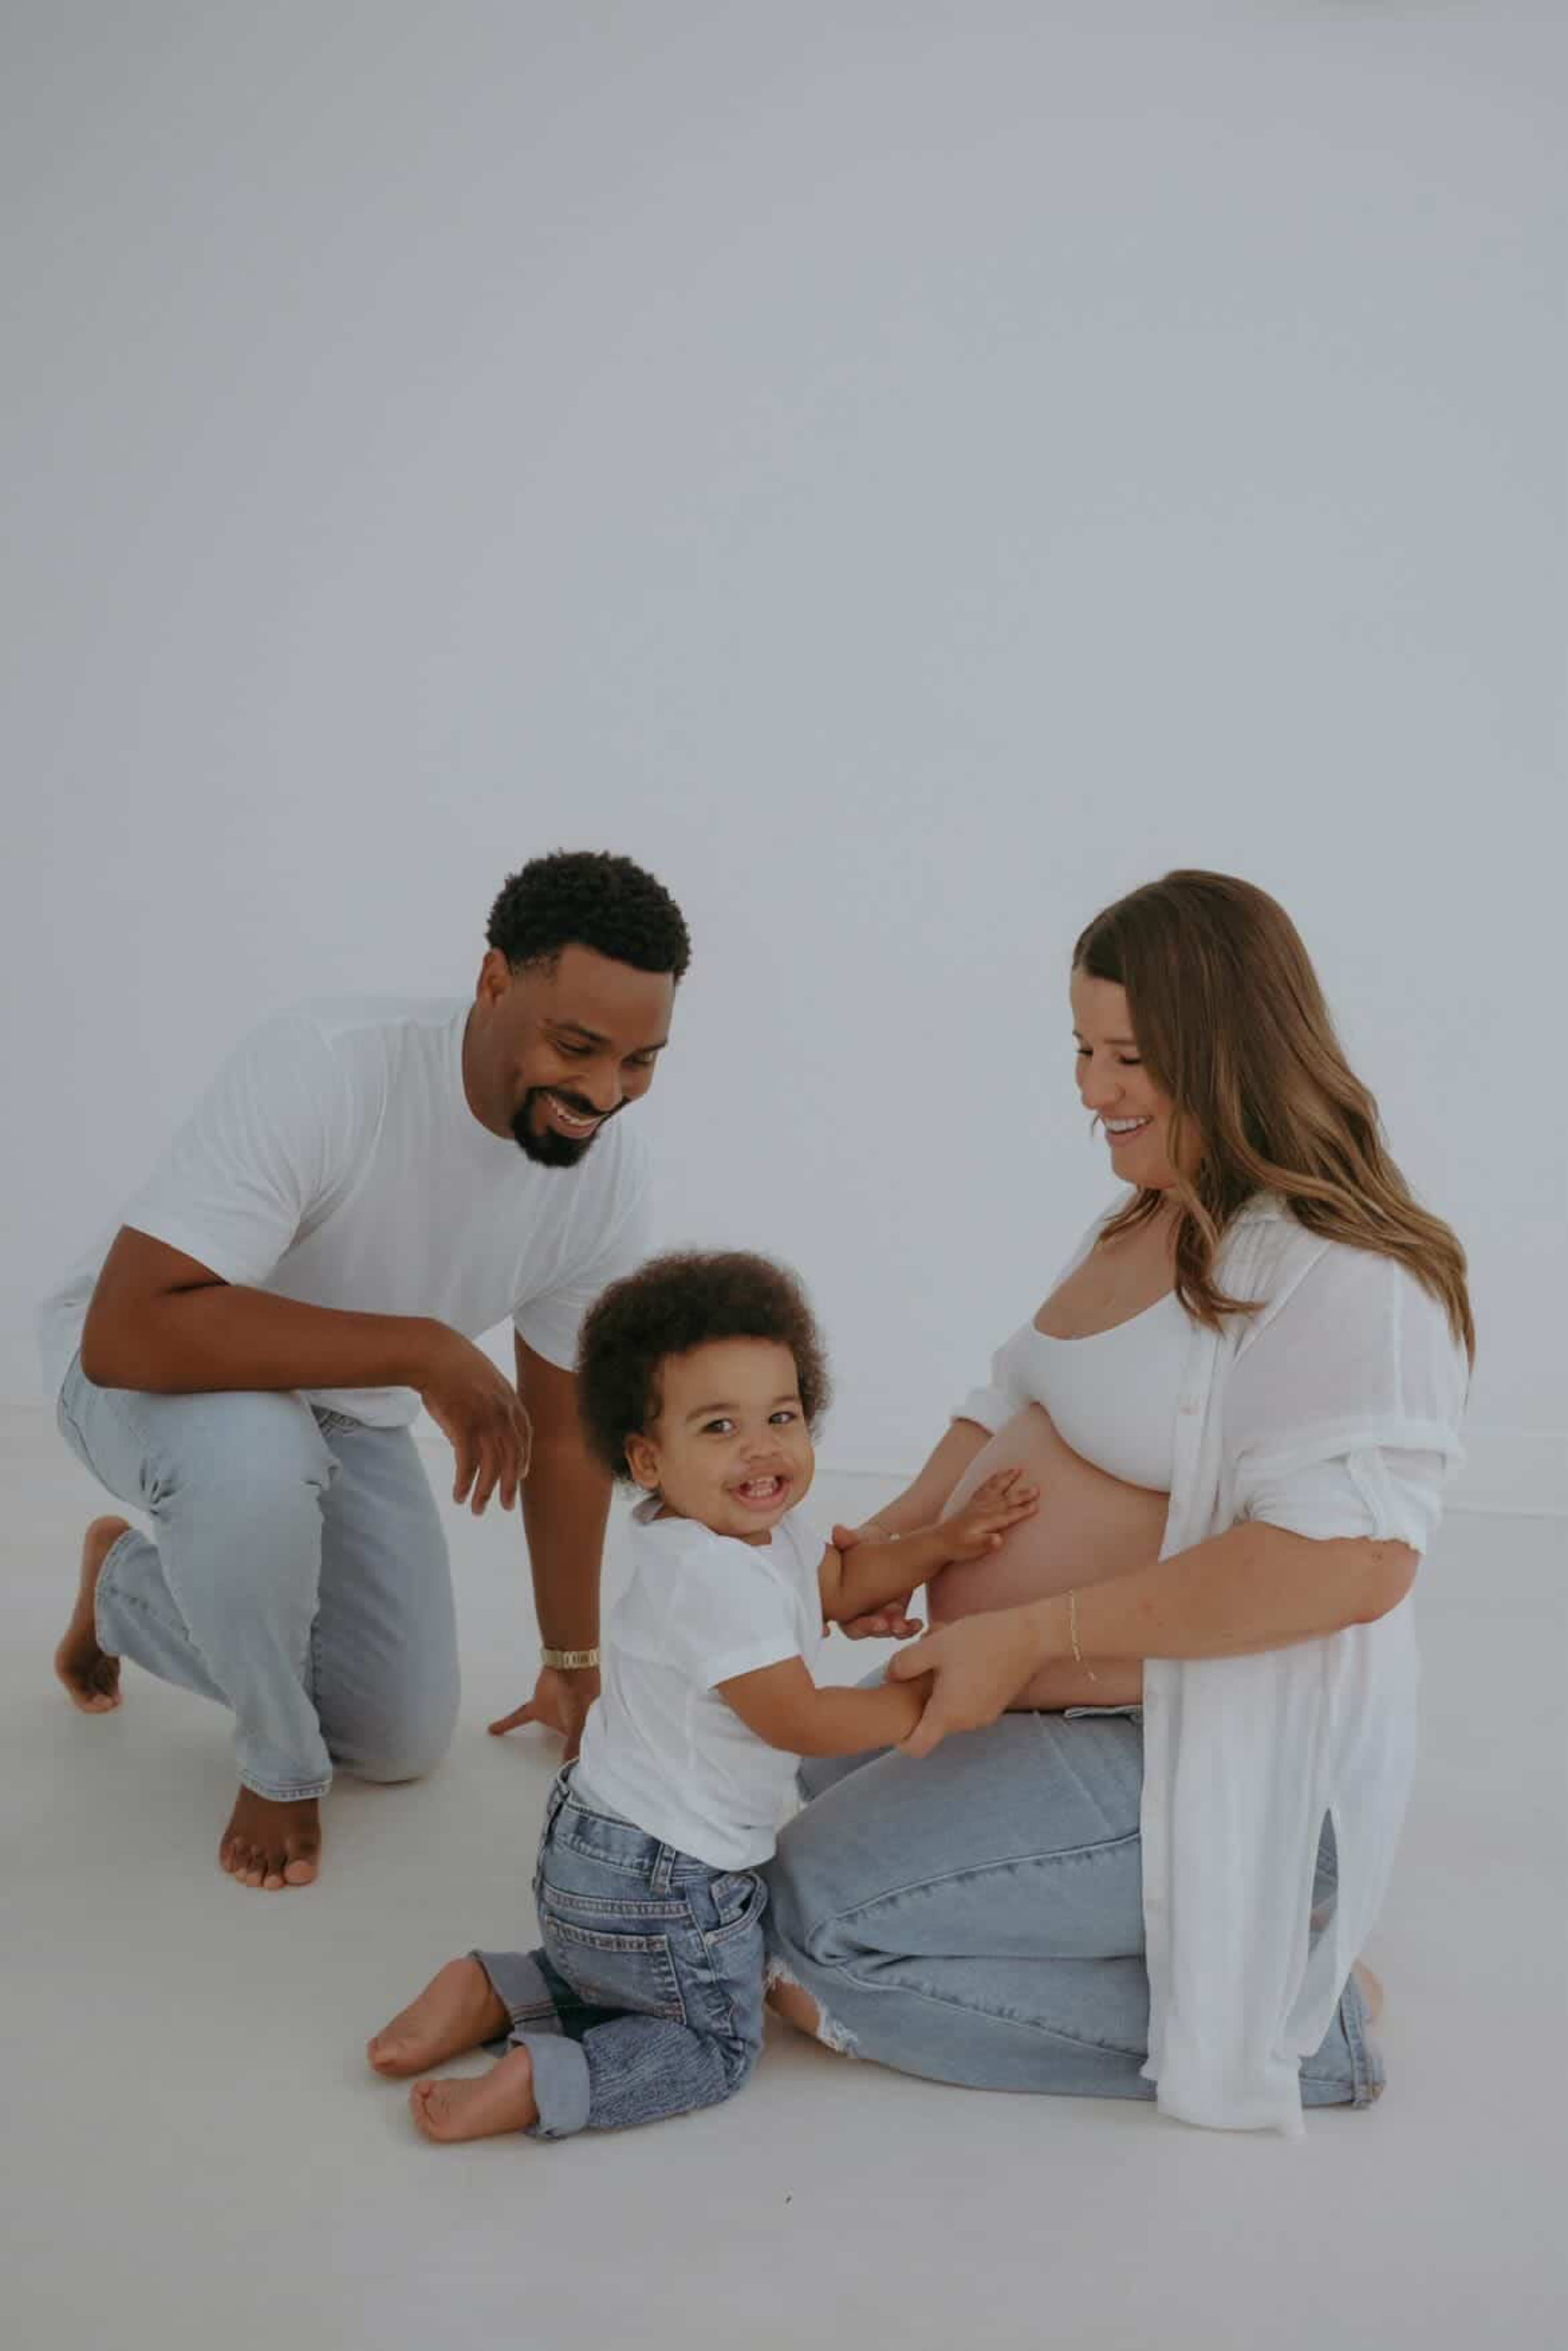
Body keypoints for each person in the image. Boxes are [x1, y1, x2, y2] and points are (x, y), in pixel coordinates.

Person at [763, 870, 1472, 2135]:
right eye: (1084, 1049)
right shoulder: (1148, 1214)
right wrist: (903, 1538)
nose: (1092, 1089)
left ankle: (1298, 2024)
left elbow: (1352, 1563)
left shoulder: (1345, 1277)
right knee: (810, 1781)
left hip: (1196, 1747)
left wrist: (1028, 1632)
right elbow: (1012, 1389)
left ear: (1232, 1051)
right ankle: (1204, 1945)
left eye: (1131, 1056)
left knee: (811, 1921)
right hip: (1081, 1714)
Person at [43, 849, 690, 1894]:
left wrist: (572, 1661)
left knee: (395, 1733)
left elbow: (564, 1431)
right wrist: (420, 1347)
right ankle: (278, 1763)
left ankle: (127, 1589)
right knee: (255, 1467)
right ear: (493, 981)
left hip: (342, 1407)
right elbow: (129, 1328)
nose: (604, 1094)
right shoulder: (330, 1064)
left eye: (642, 1060)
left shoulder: (608, 1181)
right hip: (154, 1366)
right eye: (578, 1046)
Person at [365, 1250, 1037, 2142]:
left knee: (631, 1974)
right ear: (647, 1456)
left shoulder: (738, 1533)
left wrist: (944, 1543)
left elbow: (835, 1579)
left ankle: (499, 1988)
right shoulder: (713, 1580)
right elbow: (795, 1717)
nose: (763, 1446)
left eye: (782, 1415)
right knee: (714, 2042)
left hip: (600, 1851)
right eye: (719, 1427)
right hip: (670, 1877)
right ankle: (547, 2079)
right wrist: (932, 1707)